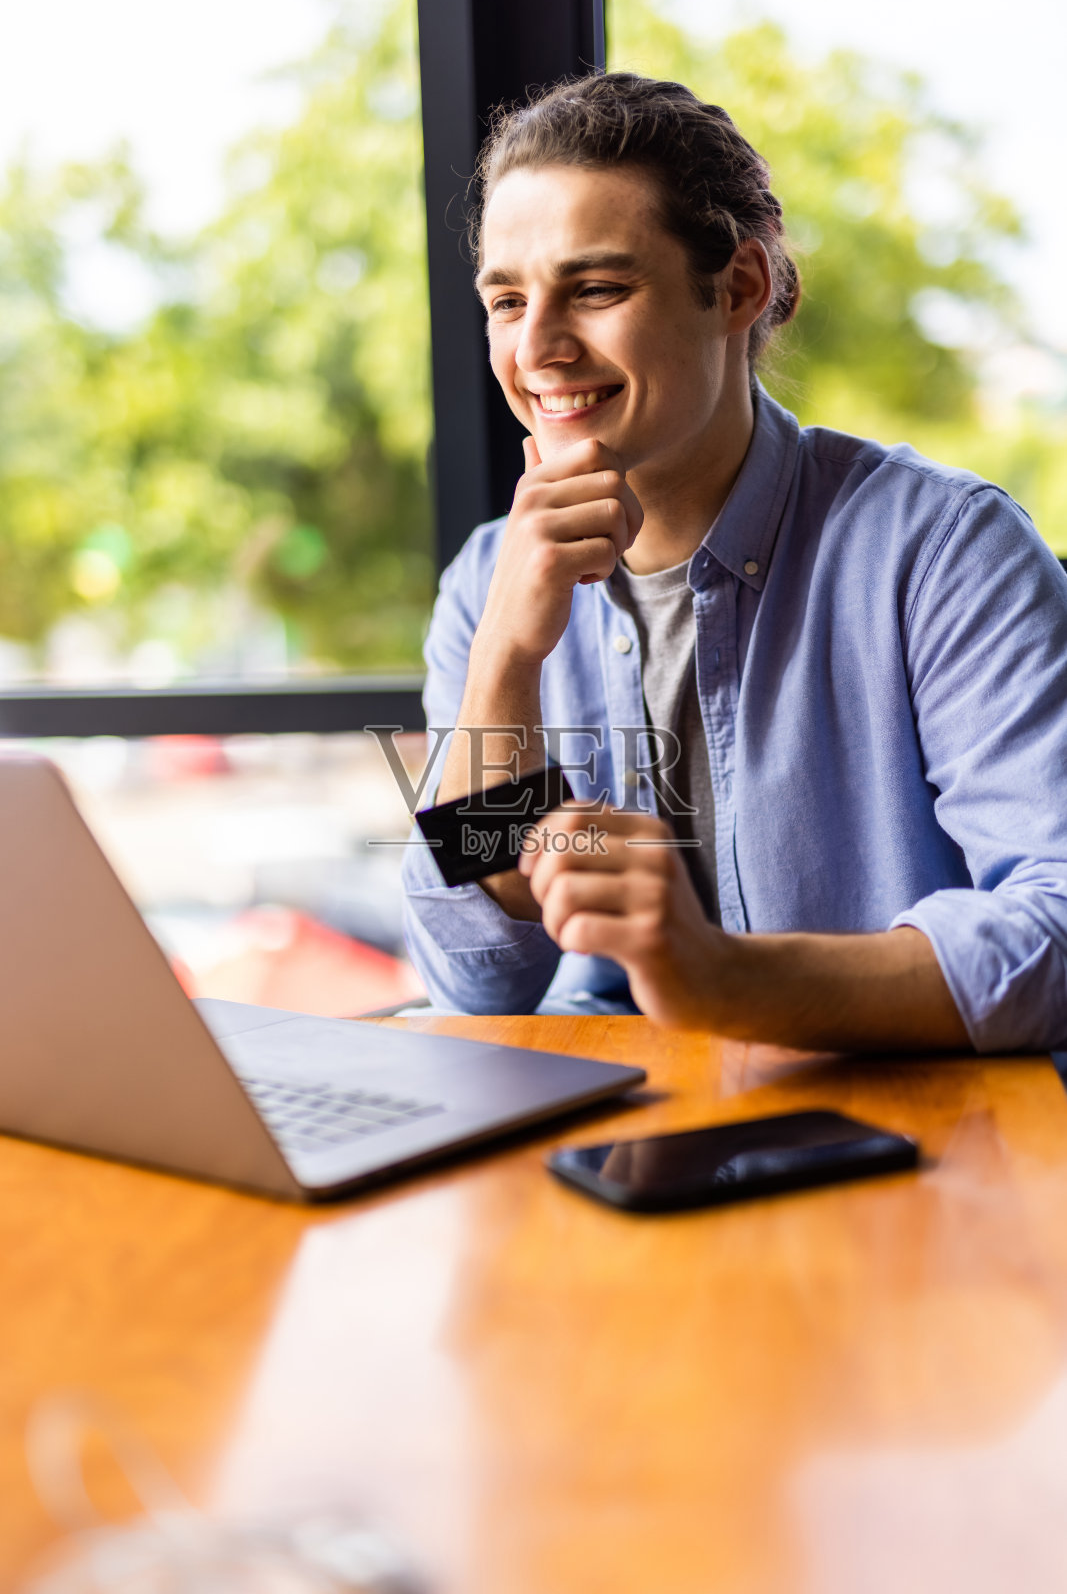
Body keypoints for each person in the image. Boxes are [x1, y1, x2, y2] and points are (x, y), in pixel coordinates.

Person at [400, 71, 1067, 1052]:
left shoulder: (943, 552)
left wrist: (719, 979)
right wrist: (504, 659)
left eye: (594, 289)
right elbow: (478, 979)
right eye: (505, 299)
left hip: (904, 1143)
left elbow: (1053, 929)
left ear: (739, 289)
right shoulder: (490, 581)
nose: (536, 346)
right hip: (613, 1150)